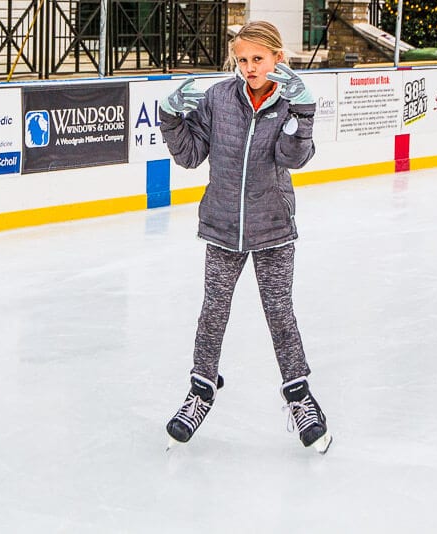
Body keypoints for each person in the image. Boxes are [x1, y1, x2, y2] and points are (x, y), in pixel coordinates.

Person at [158, 20, 332, 454]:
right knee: (213, 310)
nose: (250, 68)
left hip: (272, 224)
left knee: (279, 311)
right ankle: (200, 391)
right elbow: (191, 155)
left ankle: (299, 396)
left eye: (258, 59)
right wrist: (170, 117)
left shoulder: (290, 104)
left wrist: (303, 113)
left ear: (277, 58)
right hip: (221, 224)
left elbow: (294, 157)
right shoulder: (219, 98)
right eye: (242, 60)